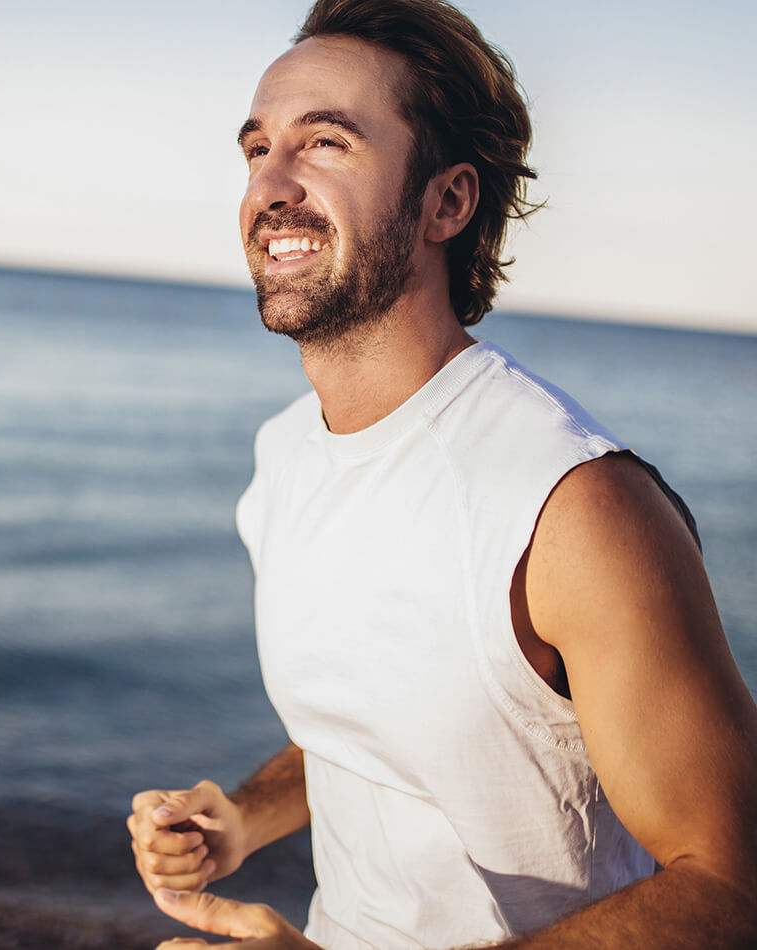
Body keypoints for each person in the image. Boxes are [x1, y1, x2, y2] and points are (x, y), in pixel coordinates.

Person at [127, 1, 757, 947]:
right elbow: (386, 718)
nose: (272, 186)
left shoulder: (577, 507)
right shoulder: (287, 456)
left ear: (447, 203)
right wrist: (245, 815)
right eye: (258, 149)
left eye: (326, 143)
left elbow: (731, 886)